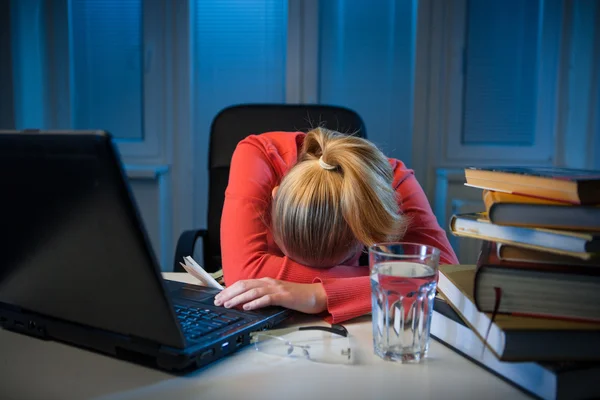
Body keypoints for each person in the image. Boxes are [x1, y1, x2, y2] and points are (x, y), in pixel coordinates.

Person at [214, 128, 459, 323]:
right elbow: (243, 275)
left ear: (365, 234)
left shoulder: (393, 184)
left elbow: (449, 279)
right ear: (274, 200)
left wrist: (320, 295)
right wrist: (394, 278)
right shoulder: (258, 155)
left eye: (337, 264)